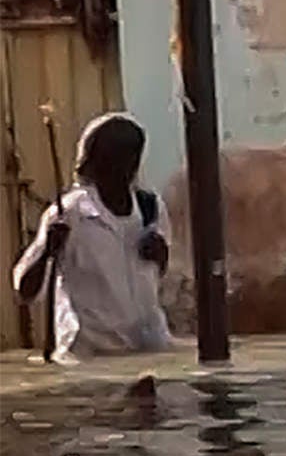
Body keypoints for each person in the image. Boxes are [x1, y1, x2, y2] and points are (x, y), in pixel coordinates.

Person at [13, 113, 175, 361]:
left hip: (150, 348)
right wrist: (48, 250)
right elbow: (25, 292)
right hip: (89, 356)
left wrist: (161, 255)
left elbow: (157, 274)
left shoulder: (150, 208)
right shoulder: (69, 214)